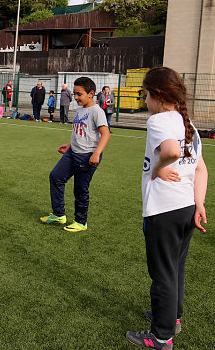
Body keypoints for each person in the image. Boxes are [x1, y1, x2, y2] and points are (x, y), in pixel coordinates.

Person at [126, 67, 208, 350]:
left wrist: (158, 170)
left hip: (164, 210)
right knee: (176, 269)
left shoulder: (160, 119)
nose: (145, 101)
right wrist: (199, 203)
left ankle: (161, 336)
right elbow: (201, 169)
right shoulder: (188, 123)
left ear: (158, 95)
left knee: (163, 273)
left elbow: (172, 152)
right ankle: (172, 319)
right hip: (185, 207)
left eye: (146, 95)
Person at [40, 77, 110, 232]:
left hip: (87, 155)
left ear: (91, 93)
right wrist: (70, 144)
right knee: (56, 176)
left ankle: (80, 221)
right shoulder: (80, 110)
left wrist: (96, 153)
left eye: (79, 94)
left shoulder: (96, 111)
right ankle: (59, 214)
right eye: (75, 93)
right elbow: (83, 133)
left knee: (80, 188)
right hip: (73, 152)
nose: (76, 97)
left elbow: (105, 134)